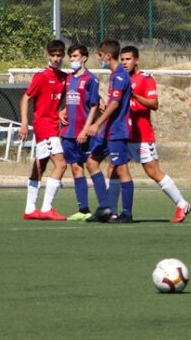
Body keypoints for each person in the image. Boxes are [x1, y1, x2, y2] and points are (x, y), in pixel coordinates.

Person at [113, 46, 191, 223]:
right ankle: (112, 211)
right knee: (114, 169)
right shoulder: (121, 79)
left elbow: (154, 104)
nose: (125, 62)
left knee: (153, 172)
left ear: (136, 60)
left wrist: (133, 95)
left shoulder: (145, 79)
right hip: (124, 134)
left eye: (128, 59)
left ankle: (181, 203)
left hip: (142, 136)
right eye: (122, 59)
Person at [83, 39, 132, 223]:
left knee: (121, 169)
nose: (99, 59)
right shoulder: (114, 76)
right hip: (108, 129)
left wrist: (96, 124)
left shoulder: (120, 75)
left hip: (117, 130)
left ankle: (127, 213)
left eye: (100, 56)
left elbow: (116, 104)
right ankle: (105, 207)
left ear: (108, 56)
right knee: (91, 162)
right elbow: (111, 103)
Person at [19, 39, 68, 221]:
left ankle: (30, 209)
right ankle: (47, 208)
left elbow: (66, 100)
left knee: (40, 167)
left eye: (59, 55)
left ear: (63, 56)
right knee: (61, 165)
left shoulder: (63, 77)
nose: (56, 59)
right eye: (53, 55)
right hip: (44, 126)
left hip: (53, 125)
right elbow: (25, 99)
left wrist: (62, 111)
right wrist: (24, 123)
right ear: (48, 55)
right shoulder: (41, 77)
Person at [60, 44, 100, 221]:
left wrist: (86, 129)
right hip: (68, 132)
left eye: (75, 56)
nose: (72, 60)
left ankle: (105, 207)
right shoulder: (68, 79)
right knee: (76, 168)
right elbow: (66, 101)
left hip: (84, 133)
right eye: (70, 57)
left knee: (92, 167)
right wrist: (61, 111)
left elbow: (94, 105)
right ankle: (83, 209)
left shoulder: (91, 79)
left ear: (84, 58)